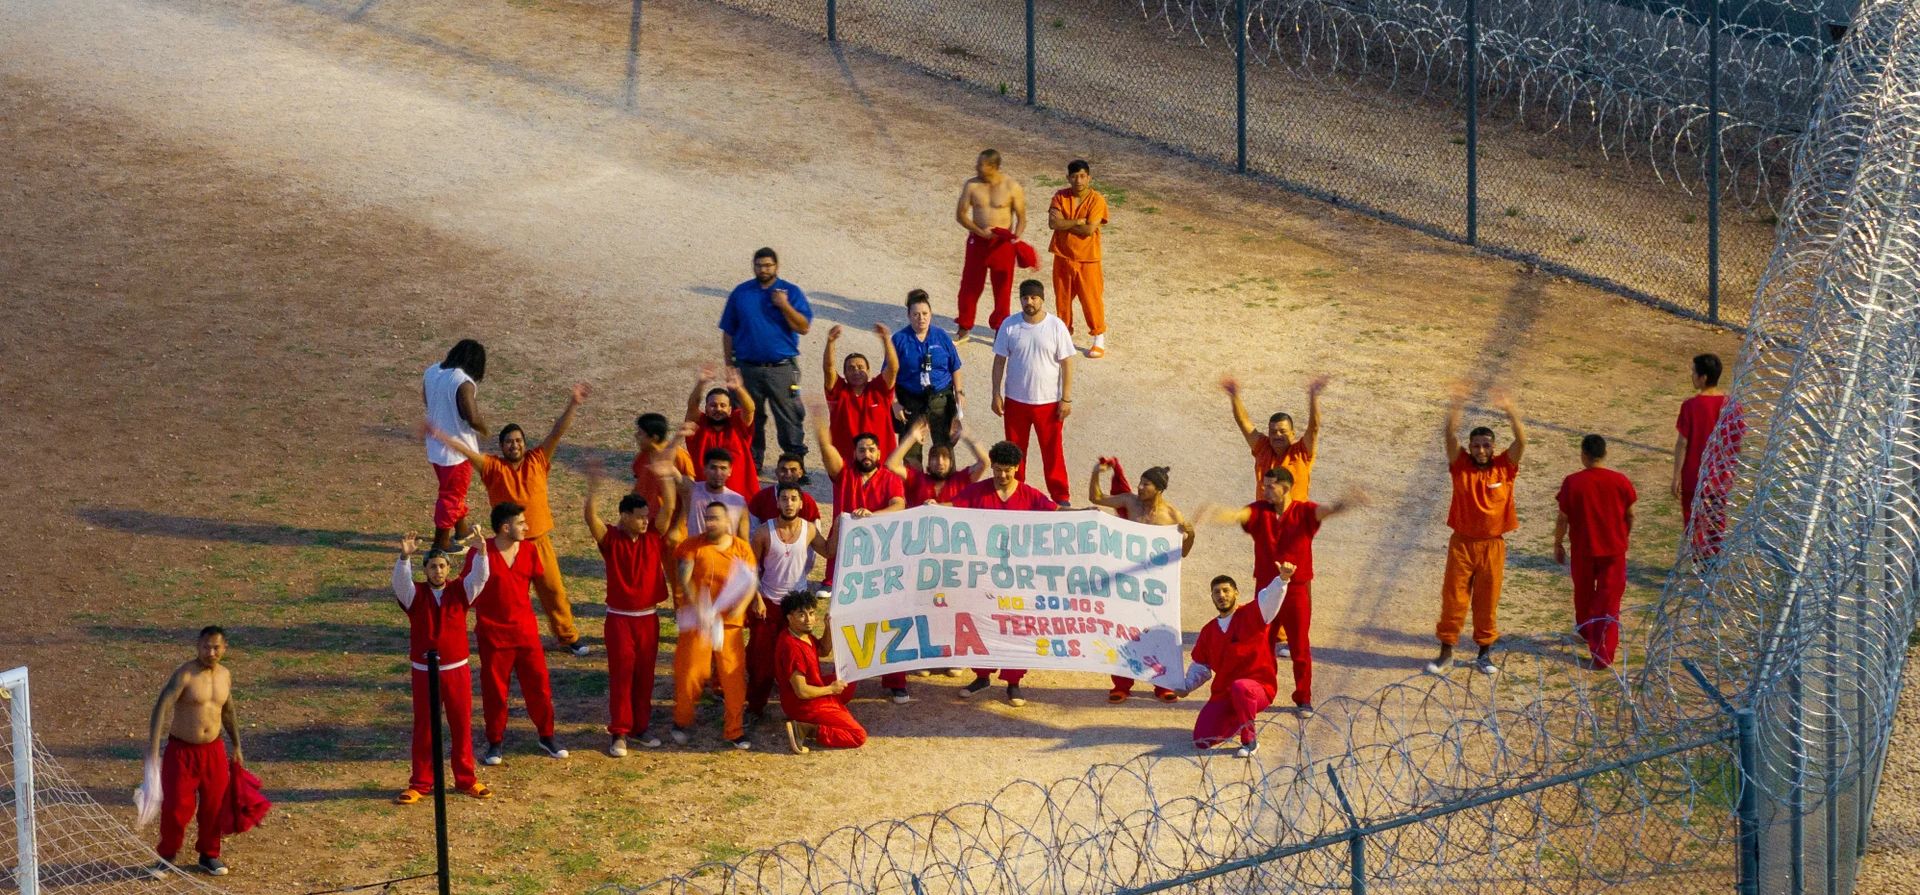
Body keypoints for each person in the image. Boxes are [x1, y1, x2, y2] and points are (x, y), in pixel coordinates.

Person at [430, 382, 592, 656]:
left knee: (554, 592)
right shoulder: (492, 467)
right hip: (509, 547)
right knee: (507, 599)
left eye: (518, 441)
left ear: (524, 444)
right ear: (502, 446)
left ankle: (567, 637)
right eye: (509, 441)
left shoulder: (538, 460)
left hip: (539, 543)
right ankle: (505, 639)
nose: (514, 445)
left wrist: (573, 403)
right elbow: (466, 452)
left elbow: (557, 432)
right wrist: (440, 435)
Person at [1205, 469, 1365, 716]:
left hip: (1296, 591)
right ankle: (1263, 691)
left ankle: (1303, 697)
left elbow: (1328, 511)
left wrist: (1346, 502)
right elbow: (1239, 514)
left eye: (1270, 486)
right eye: (1264, 486)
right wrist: (1220, 514)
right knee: (1262, 643)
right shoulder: (1259, 511)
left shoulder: (1304, 512)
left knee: (1299, 646)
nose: (1264, 490)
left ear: (1286, 487)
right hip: (1266, 590)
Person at [1427, 388, 1526, 677]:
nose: (1481, 450)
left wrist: (1510, 409)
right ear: (1469, 448)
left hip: (1492, 546)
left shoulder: (1504, 468)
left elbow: (1521, 441)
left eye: (1486, 445)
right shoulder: (1460, 466)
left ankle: (1484, 654)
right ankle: (1446, 653)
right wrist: (1456, 404)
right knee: (1454, 599)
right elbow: (1449, 437)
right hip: (1462, 545)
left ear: (1493, 448)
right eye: (1476, 446)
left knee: (1487, 601)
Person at [813, 410, 910, 701]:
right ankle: (847, 677)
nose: (866, 454)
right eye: (861, 450)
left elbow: (899, 505)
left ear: (879, 452)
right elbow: (827, 451)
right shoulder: (845, 476)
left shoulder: (890, 478)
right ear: (853, 453)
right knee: (847, 619)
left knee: (889, 618)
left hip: (882, 561)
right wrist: (820, 425)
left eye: (871, 449)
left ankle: (895, 680)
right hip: (849, 564)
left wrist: (871, 516)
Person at [953, 440, 1058, 706]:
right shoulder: (977, 492)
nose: (1002, 475)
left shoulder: (1030, 495)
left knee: (1016, 627)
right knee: (981, 622)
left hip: (1018, 577)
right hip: (983, 575)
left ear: (1017, 468)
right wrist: (931, 506)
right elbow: (950, 509)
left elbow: (1057, 513)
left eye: (1007, 470)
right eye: (998, 469)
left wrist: (1085, 514)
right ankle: (982, 676)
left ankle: (1013, 682)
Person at [390, 532, 491, 804]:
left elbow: (479, 578)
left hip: (456, 669)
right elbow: (400, 583)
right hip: (424, 671)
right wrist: (404, 557)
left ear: (449, 568)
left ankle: (466, 779)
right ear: (425, 570)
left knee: (461, 724)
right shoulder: (415, 595)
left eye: (442, 566)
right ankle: (420, 783)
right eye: (433, 566)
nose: (438, 571)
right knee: (424, 726)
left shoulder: (460, 591)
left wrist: (482, 553)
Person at [586, 463, 675, 756]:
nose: (645, 521)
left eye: (646, 516)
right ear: (624, 516)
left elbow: (669, 507)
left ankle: (640, 728)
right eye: (639, 517)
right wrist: (594, 488)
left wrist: (665, 475)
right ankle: (619, 732)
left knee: (645, 676)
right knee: (622, 676)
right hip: (620, 620)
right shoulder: (611, 539)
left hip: (649, 619)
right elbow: (590, 518)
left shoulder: (653, 537)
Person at [1089, 462, 1194, 702]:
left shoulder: (1172, 516)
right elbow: (1096, 497)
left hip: (1155, 584)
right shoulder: (1130, 501)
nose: (1139, 487)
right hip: (1127, 581)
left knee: (1157, 635)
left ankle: (1162, 684)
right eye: (1140, 482)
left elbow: (1183, 552)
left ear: (1159, 489)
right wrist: (1095, 473)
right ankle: (1121, 685)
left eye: (1146, 484)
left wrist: (1191, 534)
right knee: (1122, 632)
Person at [472, 501, 567, 764]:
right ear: (505, 527)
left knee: (539, 687)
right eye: (521, 523)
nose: (526, 527)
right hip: (493, 635)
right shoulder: (481, 553)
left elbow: (542, 587)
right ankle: (495, 741)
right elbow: (468, 589)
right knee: (494, 691)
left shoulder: (529, 550)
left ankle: (546, 735)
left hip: (525, 633)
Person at [145, 626, 245, 878]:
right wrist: (153, 749)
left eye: (216, 647)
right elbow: (162, 706)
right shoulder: (185, 674)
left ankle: (208, 854)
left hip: (214, 750)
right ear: (197, 647)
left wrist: (237, 745)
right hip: (182, 751)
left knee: (214, 805)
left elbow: (228, 711)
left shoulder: (225, 675)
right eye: (205, 647)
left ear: (224, 648)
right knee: (176, 807)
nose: (210, 652)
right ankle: (166, 857)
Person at [672, 502, 760, 749]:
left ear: (727, 521)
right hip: (698, 621)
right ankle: (681, 721)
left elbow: (751, 580)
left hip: (729, 623)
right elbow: (684, 578)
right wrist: (699, 606)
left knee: (733, 679)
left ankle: (734, 730)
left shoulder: (741, 548)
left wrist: (741, 606)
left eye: (716, 518)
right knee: (690, 674)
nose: (711, 523)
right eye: (708, 518)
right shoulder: (691, 545)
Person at [1174, 572, 1290, 758]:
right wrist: (1186, 687)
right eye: (1216, 592)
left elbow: (1270, 597)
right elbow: (1201, 666)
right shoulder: (1208, 631)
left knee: (1241, 688)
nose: (1221, 595)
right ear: (1212, 597)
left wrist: (1282, 580)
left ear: (1236, 592)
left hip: (1258, 688)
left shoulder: (1255, 613)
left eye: (1226, 590)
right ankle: (1239, 719)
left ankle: (1249, 740)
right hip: (1224, 693)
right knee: (1202, 740)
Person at [721, 247, 814, 472]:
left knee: (789, 416)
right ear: (753, 266)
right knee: (749, 415)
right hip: (747, 367)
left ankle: (795, 465)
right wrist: (729, 365)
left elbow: (803, 327)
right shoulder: (741, 293)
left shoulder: (791, 292)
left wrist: (784, 305)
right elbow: (728, 331)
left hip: (782, 368)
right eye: (759, 265)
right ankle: (752, 465)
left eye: (768, 265)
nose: (763, 269)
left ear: (776, 266)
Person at [1553, 435, 1637, 670]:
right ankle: (1603, 653)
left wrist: (1558, 543)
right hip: (1613, 550)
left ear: (1584, 455)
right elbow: (1630, 514)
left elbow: (1563, 518)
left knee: (1583, 594)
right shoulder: (1620, 481)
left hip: (1583, 549)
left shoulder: (1573, 482)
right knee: (1608, 602)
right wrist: (1623, 535)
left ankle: (1586, 630)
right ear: (1604, 453)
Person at [748, 484, 830, 720]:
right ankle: (755, 708)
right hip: (769, 602)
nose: (789, 503)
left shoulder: (809, 530)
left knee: (803, 659)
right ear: (777, 502)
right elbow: (749, 567)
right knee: (761, 661)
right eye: (784, 498)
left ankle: (803, 709)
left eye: (794, 498)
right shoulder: (763, 532)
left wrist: (842, 522)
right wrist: (757, 598)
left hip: (797, 605)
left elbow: (828, 551)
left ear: (801, 503)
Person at [992, 279, 1076, 505]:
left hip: (1048, 402)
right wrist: (995, 393)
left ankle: (1060, 496)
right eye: (1025, 298)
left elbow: (1067, 363)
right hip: (1015, 401)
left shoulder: (1056, 326)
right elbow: (999, 361)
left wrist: (1066, 398)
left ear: (1042, 299)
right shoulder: (1009, 325)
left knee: (1052, 451)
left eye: (1033, 298)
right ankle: (1015, 493)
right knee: (1015, 451)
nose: (1029, 302)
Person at [775, 590, 867, 753]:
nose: (809, 619)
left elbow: (823, 650)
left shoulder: (802, 634)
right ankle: (806, 729)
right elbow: (802, 692)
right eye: (801, 615)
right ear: (789, 618)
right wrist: (831, 689)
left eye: (811, 613)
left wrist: (829, 628)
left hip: (814, 691)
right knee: (858, 735)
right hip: (803, 705)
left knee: (849, 677)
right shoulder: (792, 648)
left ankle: (831, 711)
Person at [1671, 353, 1742, 556]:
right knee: (1716, 520)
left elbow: (1682, 443)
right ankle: (1712, 560)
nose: (1691, 375)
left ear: (1703, 378)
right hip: (1720, 475)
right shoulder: (1732, 406)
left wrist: (1676, 476)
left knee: (1694, 521)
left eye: (1694, 372)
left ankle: (1699, 559)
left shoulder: (1690, 407)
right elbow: (1736, 442)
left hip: (1693, 475)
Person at [954, 149, 1028, 342]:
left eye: (981, 165)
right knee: (969, 285)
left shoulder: (1012, 187)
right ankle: (964, 326)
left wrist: (1016, 237)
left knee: (1002, 287)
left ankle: (1000, 329)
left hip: (1002, 243)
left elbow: (1021, 218)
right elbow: (961, 215)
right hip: (978, 240)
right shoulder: (972, 185)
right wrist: (979, 232)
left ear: (993, 167)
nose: (976, 168)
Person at [421, 340, 488, 552]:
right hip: (457, 453)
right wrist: (484, 429)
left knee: (452, 491)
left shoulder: (432, 371)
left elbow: (427, 400)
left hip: (435, 447)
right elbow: (472, 417)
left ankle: (461, 530)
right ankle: (441, 542)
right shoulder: (463, 382)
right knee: (451, 496)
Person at [1223, 375, 1324, 504]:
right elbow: (1243, 422)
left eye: (1283, 431)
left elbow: (1314, 427)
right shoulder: (1263, 448)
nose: (1277, 435)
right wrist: (1234, 395)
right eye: (1273, 432)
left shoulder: (1301, 452)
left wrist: (1314, 396)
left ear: (1293, 434)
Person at [891, 289, 966, 456]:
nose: (921, 318)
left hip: (940, 399)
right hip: (910, 400)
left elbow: (955, 366)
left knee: (944, 451)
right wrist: (894, 402)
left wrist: (959, 392)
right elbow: (889, 375)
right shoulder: (899, 340)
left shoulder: (941, 336)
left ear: (931, 314)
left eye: (925, 313)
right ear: (908, 316)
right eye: (916, 314)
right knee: (910, 451)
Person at [1048, 159, 1110, 357]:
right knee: (1062, 299)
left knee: (1091, 299)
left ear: (1089, 178)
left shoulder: (1097, 200)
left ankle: (1098, 337)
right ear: (1068, 178)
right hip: (1063, 255)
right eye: (1074, 176)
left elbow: (1089, 229)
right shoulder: (1060, 196)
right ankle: (1064, 335)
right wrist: (1077, 222)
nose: (1078, 181)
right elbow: (1053, 223)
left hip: (1088, 258)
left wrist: (1065, 224)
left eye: (1082, 176)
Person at [825, 323, 901, 465]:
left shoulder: (879, 389)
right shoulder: (838, 393)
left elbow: (893, 367)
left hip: (881, 464)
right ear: (844, 374)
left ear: (868, 371)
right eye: (851, 368)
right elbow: (828, 369)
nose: (856, 371)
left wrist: (886, 340)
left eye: (861, 367)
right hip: (847, 466)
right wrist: (830, 342)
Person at [684, 368, 760, 497]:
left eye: (723, 405)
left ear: (730, 410)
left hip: (739, 498)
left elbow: (750, 409)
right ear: (706, 408)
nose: (718, 409)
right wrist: (701, 384)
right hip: (705, 497)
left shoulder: (738, 424)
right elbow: (692, 406)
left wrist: (739, 388)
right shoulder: (698, 427)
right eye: (713, 405)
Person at [888, 418, 990, 507]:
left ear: (951, 462)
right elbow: (891, 465)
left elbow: (984, 462)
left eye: (944, 457)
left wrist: (968, 437)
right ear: (928, 462)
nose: (940, 462)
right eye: (935, 458)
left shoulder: (961, 480)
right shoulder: (916, 480)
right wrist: (911, 438)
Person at [633, 412, 695, 528]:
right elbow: (638, 489)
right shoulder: (641, 457)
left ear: (654, 437)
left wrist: (678, 528)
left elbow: (688, 495)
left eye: (640, 433)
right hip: (647, 525)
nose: (636, 436)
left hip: (669, 525)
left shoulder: (680, 456)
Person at [748, 454, 822, 524]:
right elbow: (751, 529)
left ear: (800, 473)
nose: (788, 474)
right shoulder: (761, 498)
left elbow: (815, 531)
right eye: (783, 470)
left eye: (793, 470)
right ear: (776, 472)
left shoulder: (808, 502)